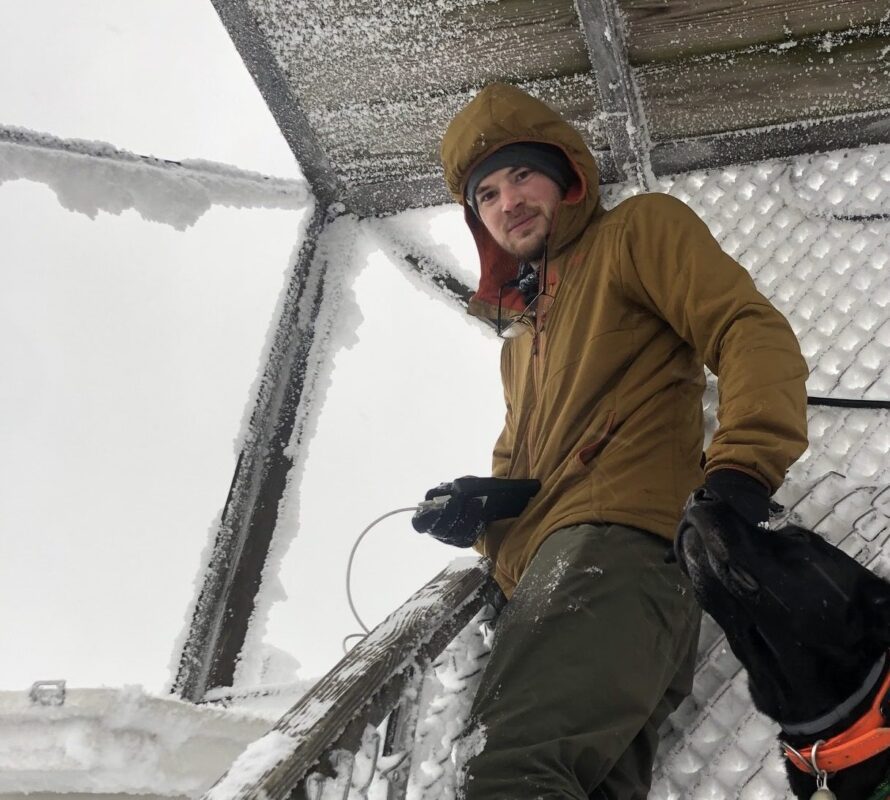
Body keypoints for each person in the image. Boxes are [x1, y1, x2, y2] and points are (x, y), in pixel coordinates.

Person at [413, 82, 809, 799]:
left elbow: (747, 328)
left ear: (566, 177)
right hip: (549, 577)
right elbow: (521, 470)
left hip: (613, 549)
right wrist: (481, 516)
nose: (509, 202)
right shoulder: (521, 343)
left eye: (523, 174)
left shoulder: (635, 233)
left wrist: (742, 472)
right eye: (488, 195)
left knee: (506, 774)